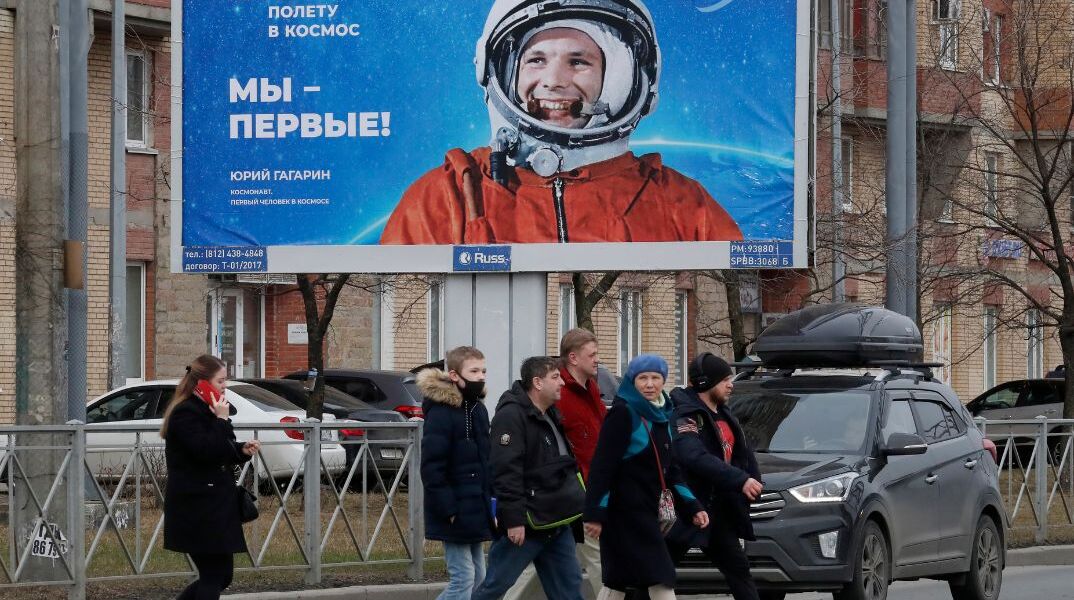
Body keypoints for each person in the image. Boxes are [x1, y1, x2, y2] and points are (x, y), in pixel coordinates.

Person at [379, 0, 742, 245]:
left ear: (618, 80)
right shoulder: (447, 199)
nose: (553, 81)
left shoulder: (683, 206)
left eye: (578, 62)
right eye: (536, 59)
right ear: (500, 71)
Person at [583, 354, 708, 600]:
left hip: (649, 511)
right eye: (642, 378)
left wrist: (693, 506)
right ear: (632, 381)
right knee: (661, 575)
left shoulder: (663, 414)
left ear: (663, 381)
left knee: (618, 581)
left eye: (655, 378)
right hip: (624, 514)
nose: (649, 384)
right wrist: (595, 514)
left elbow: (671, 469)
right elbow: (602, 467)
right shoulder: (623, 413)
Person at [471, 356, 586, 600]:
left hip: (556, 521)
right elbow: (506, 471)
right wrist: (514, 520)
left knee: (570, 590)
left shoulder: (549, 413)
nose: (562, 383)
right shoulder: (511, 416)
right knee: (494, 587)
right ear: (537, 383)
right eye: (555, 377)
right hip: (527, 523)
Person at [504, 328, 607, 600]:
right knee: (598, 558)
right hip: (571, 489)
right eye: (592, 354)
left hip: (587, 488)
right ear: (573, 358)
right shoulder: (558, 395)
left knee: (549, 563)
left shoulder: (592, 388)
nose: (597, 359)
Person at [161, 354, 261, 600]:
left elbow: (220, 447)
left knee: (221, 575)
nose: (225, 386)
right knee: (214, 575)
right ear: (202, 383)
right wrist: (221, 420)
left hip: (213, 505)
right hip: (196, 506)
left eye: (225, 380)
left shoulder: (209, 409)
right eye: (220, 381)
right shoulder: (186, 413)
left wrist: (241, 450)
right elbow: (206, 451)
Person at [667, 353, 763, 600]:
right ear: (705, 383)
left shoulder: (725, 413)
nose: (730, 385)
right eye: (724, 380)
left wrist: (753, 480)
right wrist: (740, 480)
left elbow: (743, 454)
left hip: (719, 512)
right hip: (689, 508)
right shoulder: (686, 415)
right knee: (658, 573)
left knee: (739, 571)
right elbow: (692, 456)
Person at [417, 346, 494, 599]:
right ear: (454, 375)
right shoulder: (441, 412)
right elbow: (432, 467)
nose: (481, 377)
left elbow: (486, 462)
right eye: (474, 371)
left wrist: (491, 502)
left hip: (476, 506)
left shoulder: (478, 409)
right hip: (454, 509)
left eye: (483, 371)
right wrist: (448, 508)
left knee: (479, 577)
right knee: (463, 578)